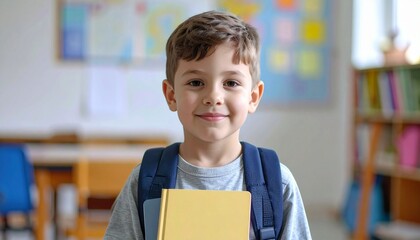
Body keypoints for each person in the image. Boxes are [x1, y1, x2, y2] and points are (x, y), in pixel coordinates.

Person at [104, 10, 311, 240]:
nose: (213, 96)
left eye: (231, 82)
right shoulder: (144, 181)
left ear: (253, 97)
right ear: (171, 95)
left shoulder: (277, 183)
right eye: (196, 82)